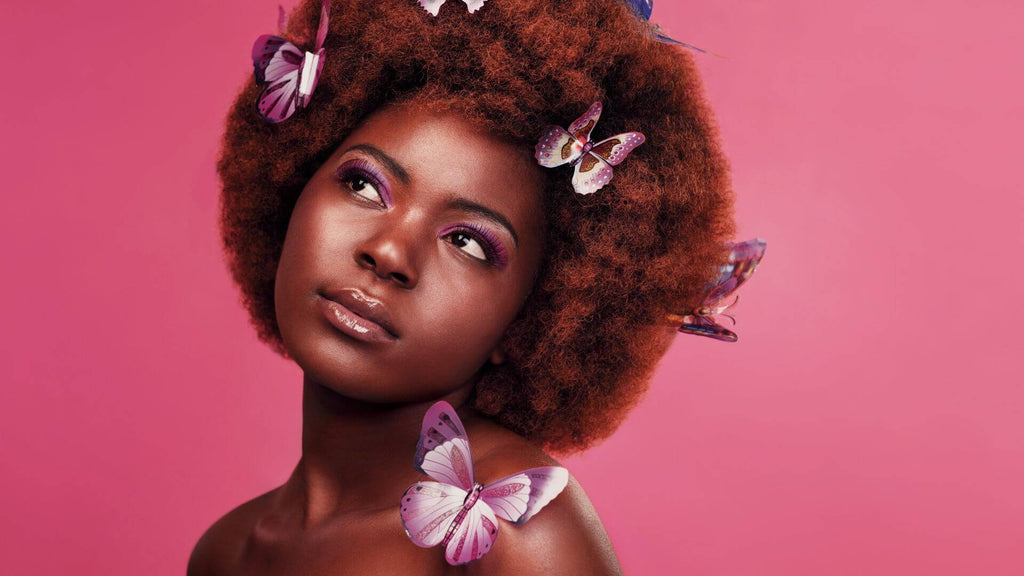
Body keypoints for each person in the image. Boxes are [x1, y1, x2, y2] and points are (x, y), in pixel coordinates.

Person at [188, 0, 736, 573]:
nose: (389, 252)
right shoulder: (228, 551)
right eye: (363, 184)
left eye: (468, 243)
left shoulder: (517, 534)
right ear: (293, 186)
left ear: (531, 318)